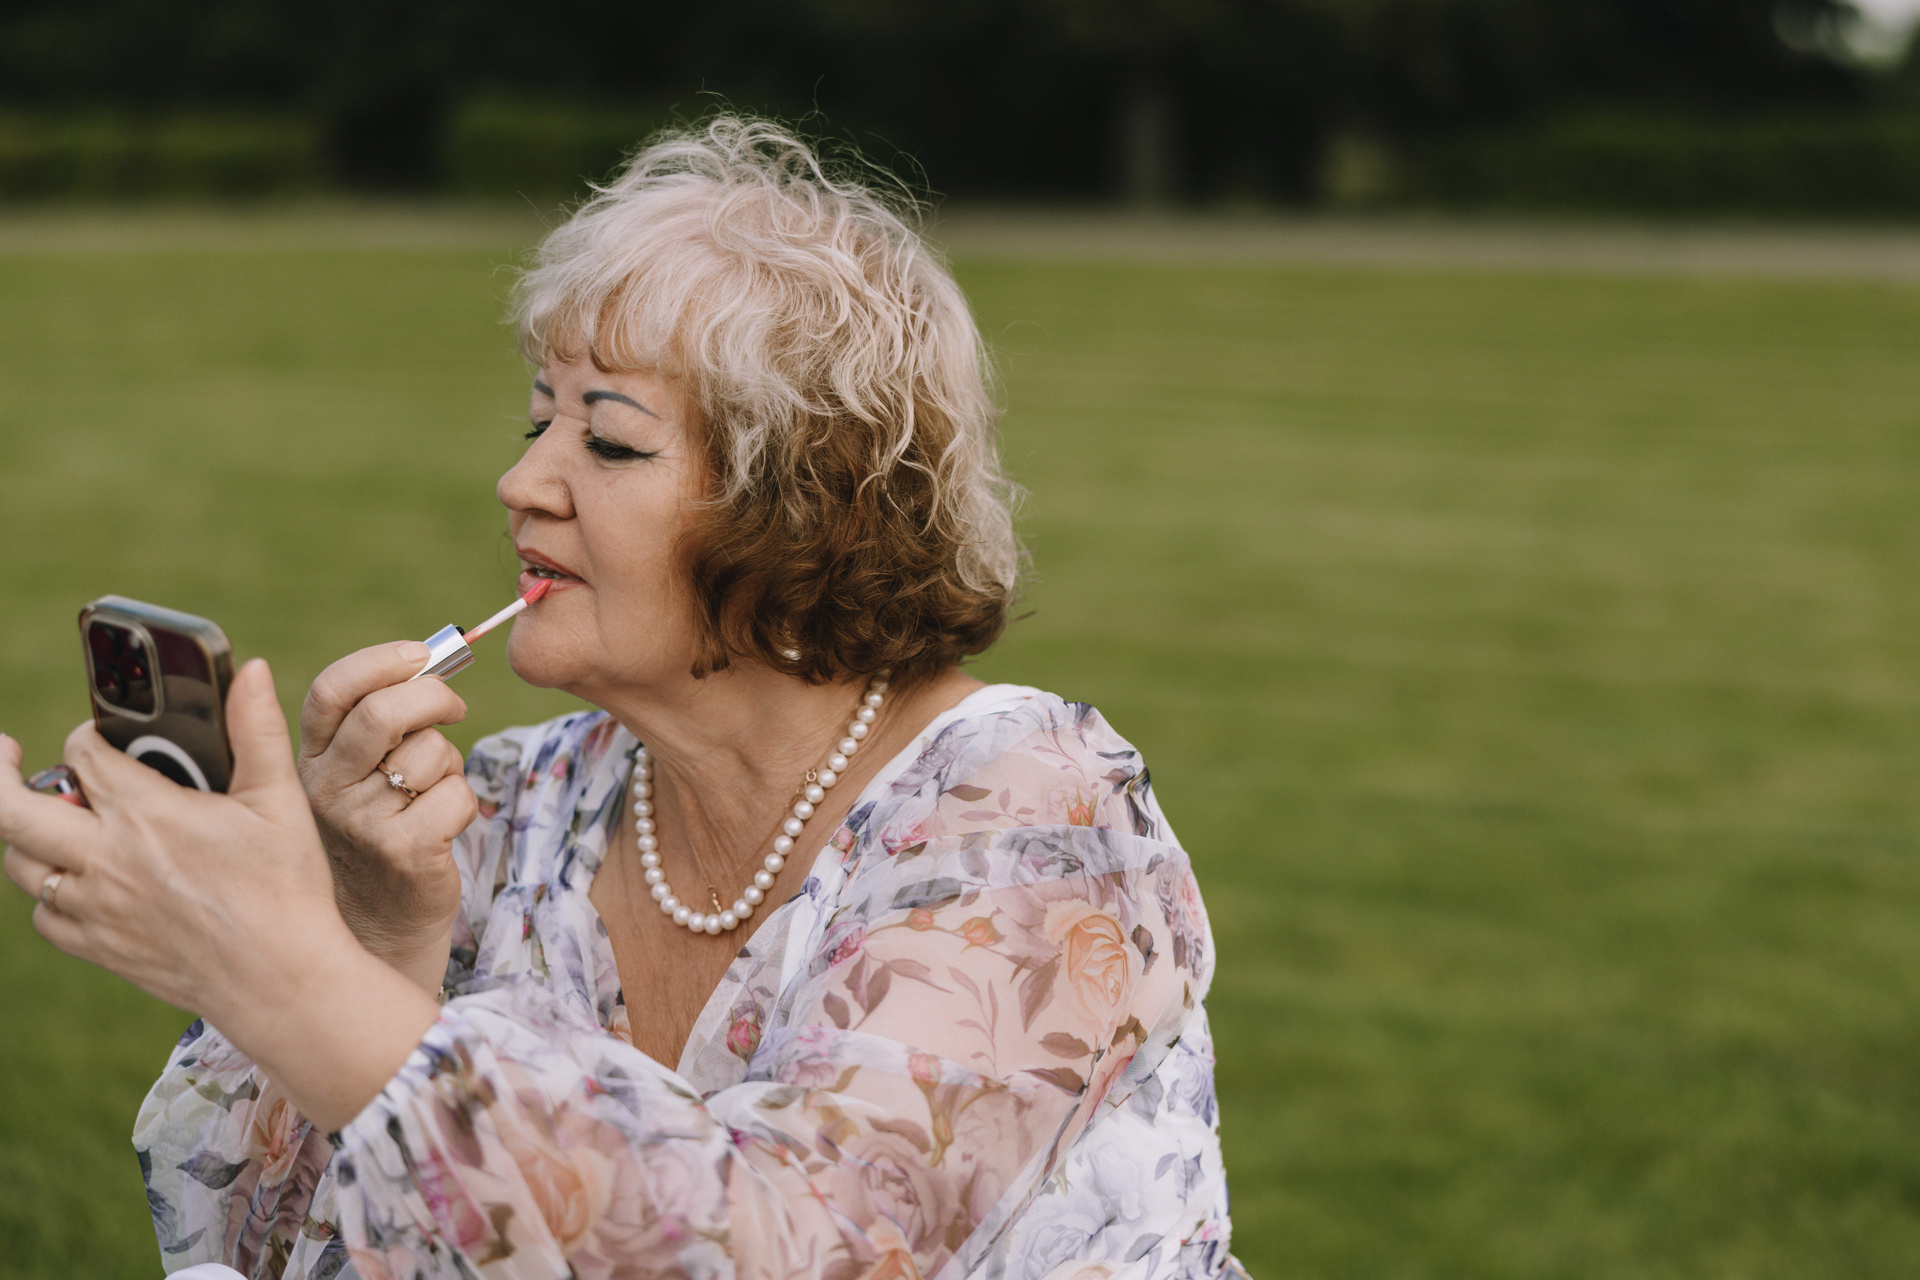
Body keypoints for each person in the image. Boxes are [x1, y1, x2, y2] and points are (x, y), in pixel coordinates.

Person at [0, 117, 1240, 1280]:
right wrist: (375, 933)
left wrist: (280, 966)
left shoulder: (1033, 816)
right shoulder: (511, 805)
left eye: (608, 440)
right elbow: (254, 1245)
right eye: (539, 421)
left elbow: (804, 1242)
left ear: (804, 505)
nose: (522, 481)